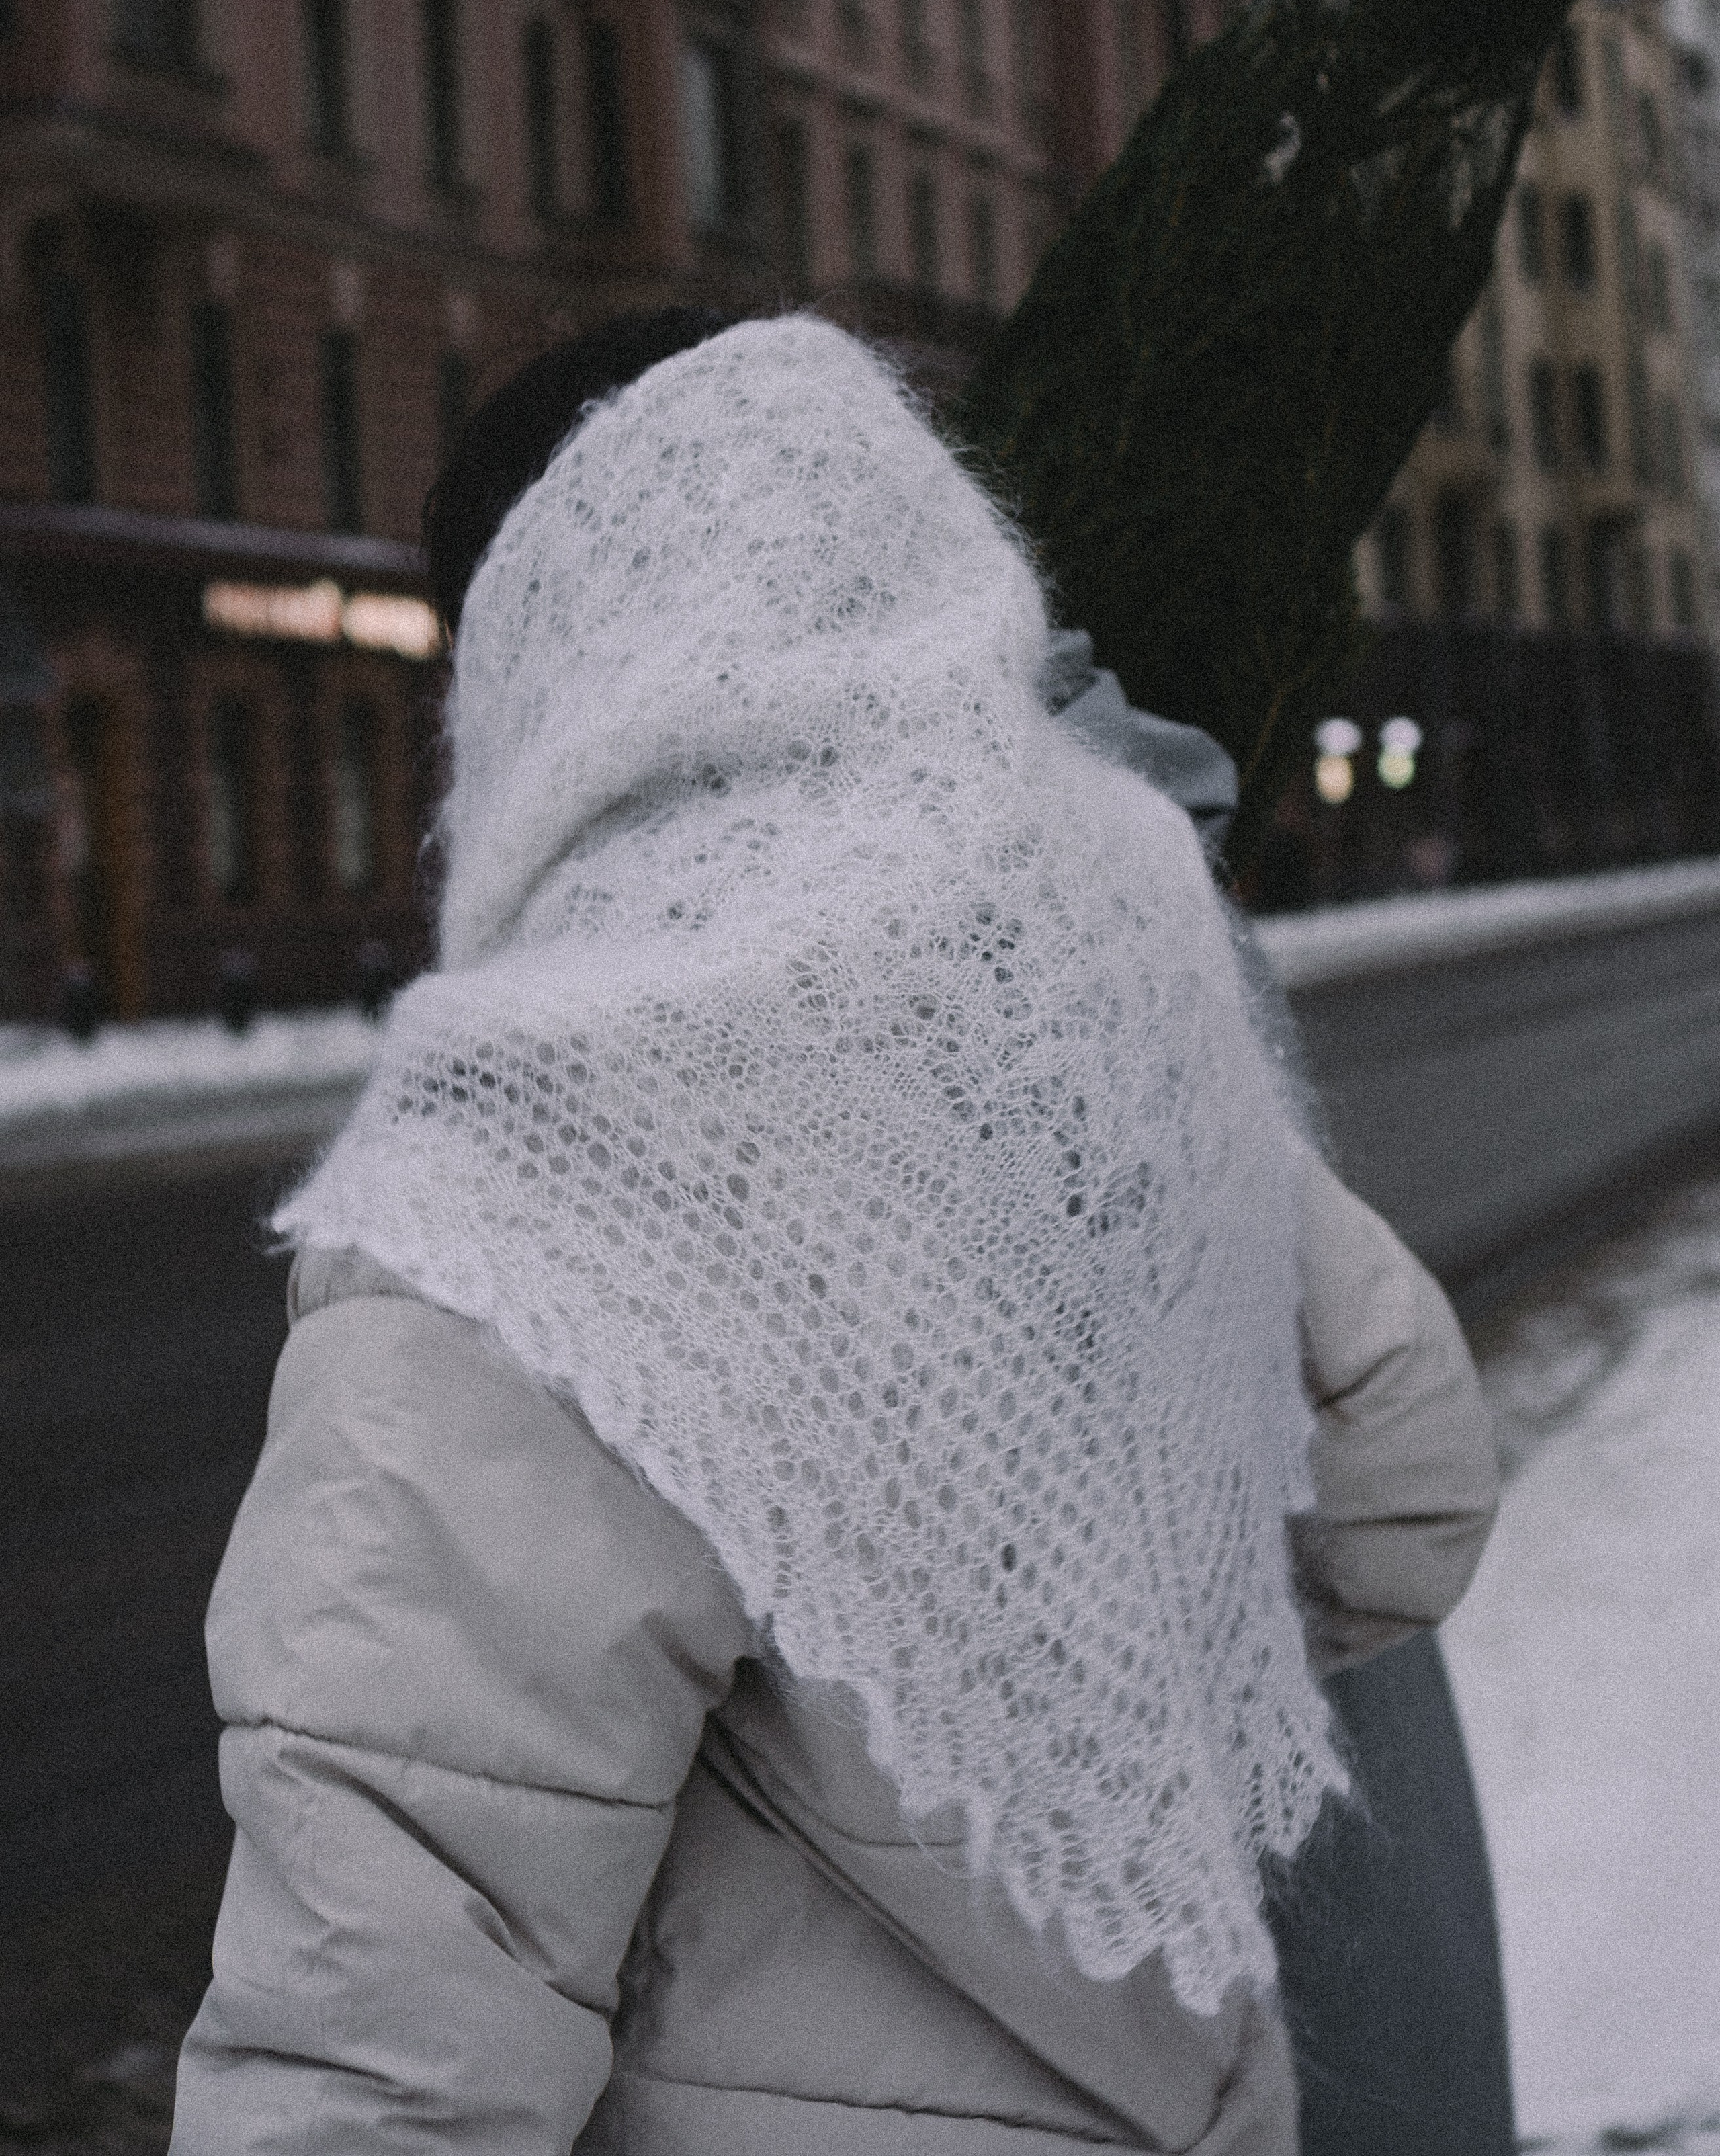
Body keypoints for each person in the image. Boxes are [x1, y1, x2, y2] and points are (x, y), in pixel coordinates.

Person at [169, 314, 1500, 2155]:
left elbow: (382, 2025)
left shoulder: (542, 1151)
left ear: (540, 655)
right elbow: (1405, 1485)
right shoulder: (1105, 990)